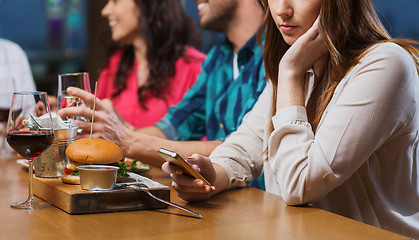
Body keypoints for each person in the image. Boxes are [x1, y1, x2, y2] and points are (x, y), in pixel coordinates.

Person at [162, 0, 419, 238]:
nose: (282, 10)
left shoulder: (385, 63)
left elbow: (300, 185)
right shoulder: (301, 67)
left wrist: (290, 74)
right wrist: (209, 176)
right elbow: (244, 146)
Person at [58, 0, 266, 169]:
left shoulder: (276, 56)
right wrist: (114, 131)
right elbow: (173, 127)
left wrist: (127, 140)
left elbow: (244, 148)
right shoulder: (218, 58)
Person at [96, 0, 205, 128]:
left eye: (115, 1)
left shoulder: (197, 68)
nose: (105, 11)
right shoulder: (115, 64)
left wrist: (125, 134)